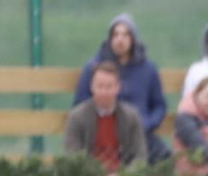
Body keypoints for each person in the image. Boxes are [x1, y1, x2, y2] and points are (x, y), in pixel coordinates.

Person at [72, 14, 170, 163]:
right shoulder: (94, 67)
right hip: (103, 134)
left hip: (141, 133)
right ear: (110, 38)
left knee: (165, 158)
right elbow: (80, 104)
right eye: (116, 34)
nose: (120, 39)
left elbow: (159, 106)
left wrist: (147, 124)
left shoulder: (148, 69)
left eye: (125, 34)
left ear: (133, 39)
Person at [65, 62, 148, 174]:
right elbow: (73, 155)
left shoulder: (131, 116)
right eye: (100, 86)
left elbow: (140, 156)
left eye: (109, 87)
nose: (104, 92)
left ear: (118, 87)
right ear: (92, 87)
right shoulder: (77, 117)